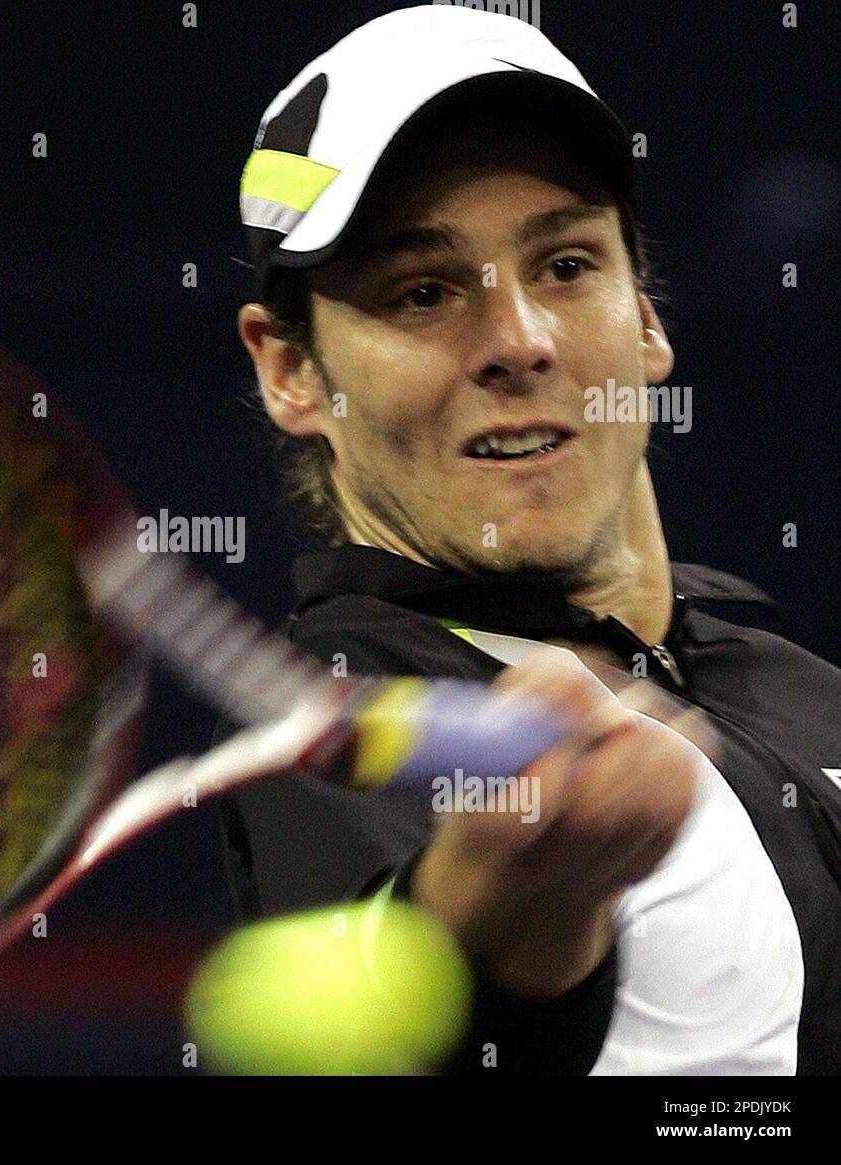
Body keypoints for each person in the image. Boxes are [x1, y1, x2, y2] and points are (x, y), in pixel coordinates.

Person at [220, 5, 841, 1074]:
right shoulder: (345, 724)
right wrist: (482, 928)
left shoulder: (791, 678)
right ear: (290, 371)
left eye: (563, 265)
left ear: (644, 319)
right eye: (422, 291)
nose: (518, 340)